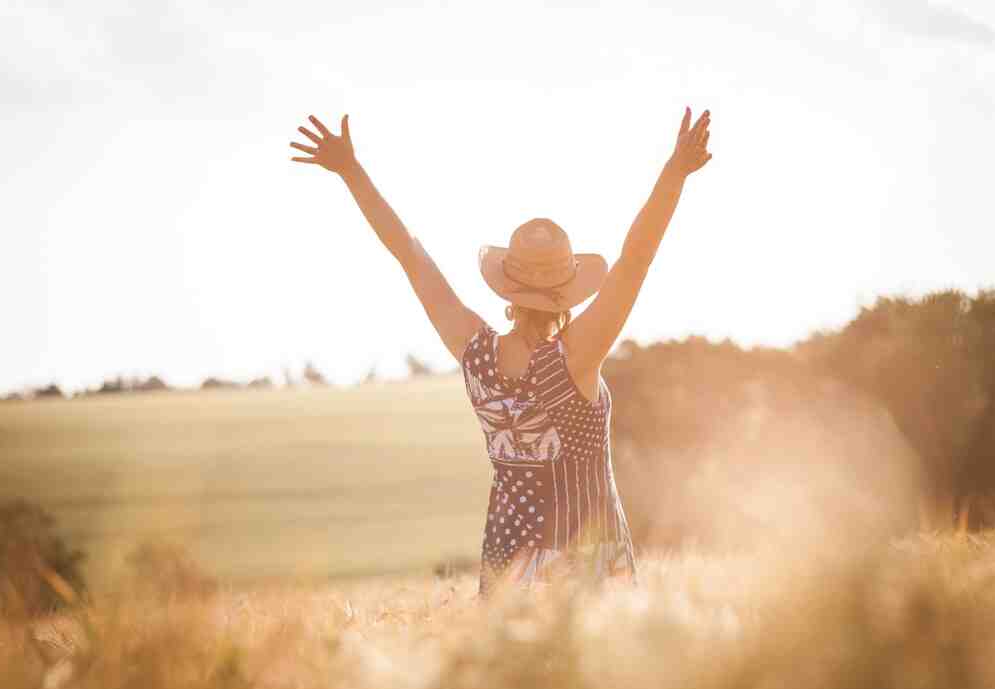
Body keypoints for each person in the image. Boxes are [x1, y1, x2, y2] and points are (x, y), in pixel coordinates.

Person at [290, 107, 712, 596]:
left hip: (507, 560)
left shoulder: (475, 352)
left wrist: (351, 171)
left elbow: (408, 252)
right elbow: (635, 259)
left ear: (507, 287)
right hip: (582, 562)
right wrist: (674, 172)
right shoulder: (578, 356)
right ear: (569, 289)